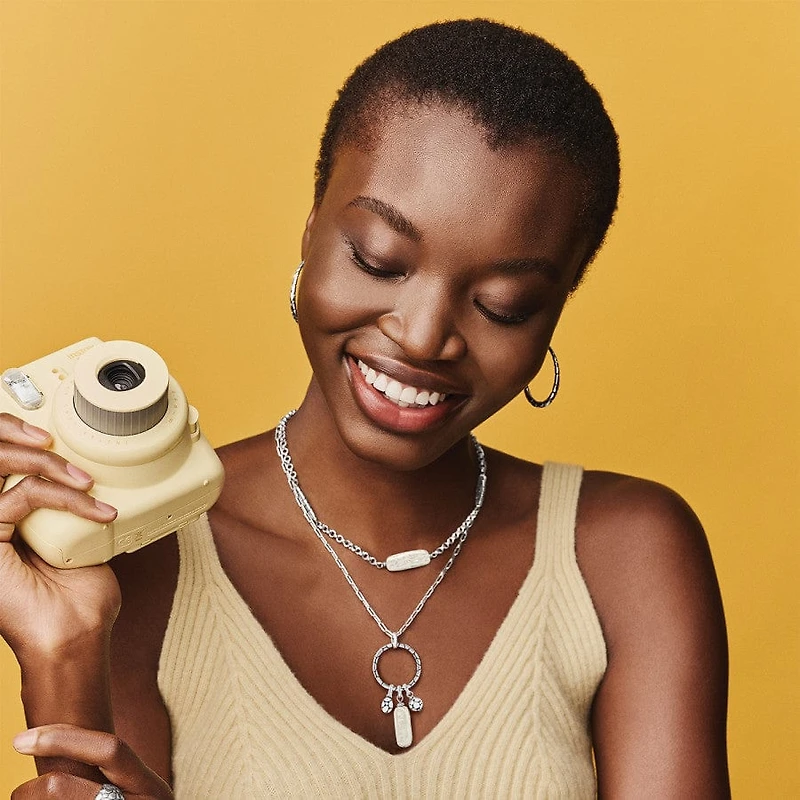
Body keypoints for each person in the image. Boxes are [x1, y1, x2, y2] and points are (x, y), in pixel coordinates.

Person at [1, 19, 729, 799]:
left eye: (504, 304)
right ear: (313, 228)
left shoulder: (625, 555)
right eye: (379, 261)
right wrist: (62, 649)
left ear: (555, 312)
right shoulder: (147, 554)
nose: (422, 337)